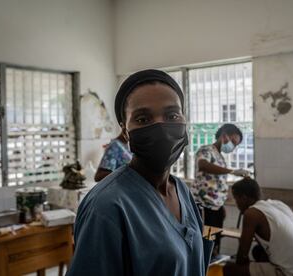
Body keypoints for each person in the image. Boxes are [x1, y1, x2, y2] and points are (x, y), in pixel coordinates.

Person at [67, 70, 213, 276]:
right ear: (125, 131)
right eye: (143, 119)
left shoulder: (182, 191)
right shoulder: (106, 207)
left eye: (172, 115)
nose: (161, 127)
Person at [223, 178, 293, 276]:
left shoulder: (251, 214)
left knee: (229, 269)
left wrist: (243, 267)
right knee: (258, 251)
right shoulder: (277, 204)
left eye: (236, 199)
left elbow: (242, 256)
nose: (236, 204)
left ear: (244, 198)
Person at [191, 124, 250, 253]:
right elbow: (203, 165)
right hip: (204, 205)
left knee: (215, 241)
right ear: (224, 136)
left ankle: (212, 261)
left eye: (236, 145)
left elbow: (216, 184)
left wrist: (220, 206)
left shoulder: (219, 156)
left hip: (215, 206)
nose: (233, 147)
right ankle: (205, 265)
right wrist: (232, 171)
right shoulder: (206, 150)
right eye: (233, 142)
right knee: (207, 240)